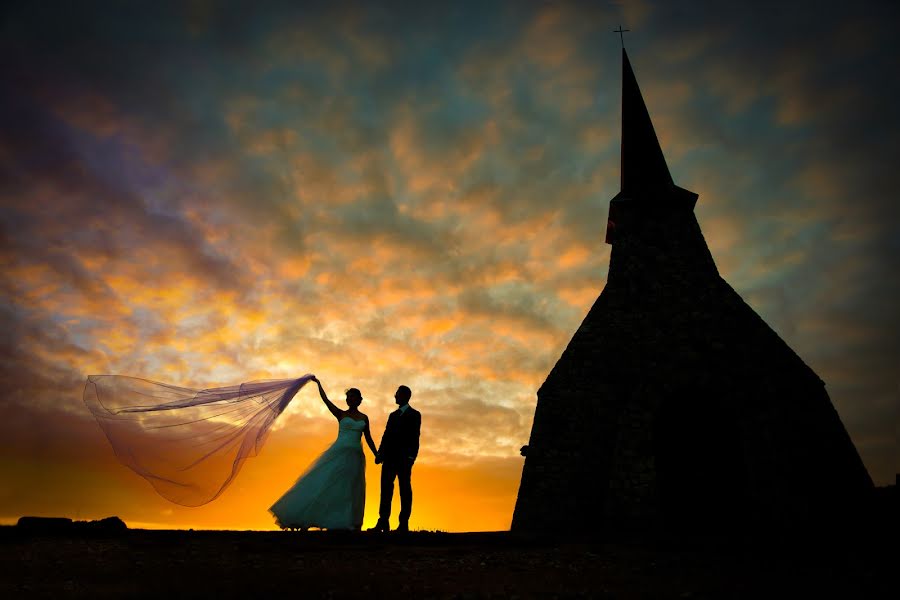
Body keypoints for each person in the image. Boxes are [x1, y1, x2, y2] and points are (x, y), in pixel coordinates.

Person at [269, 376, 378, 531]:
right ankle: (303, 515)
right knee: (326, 484)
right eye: (349, 397)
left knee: (350, 489)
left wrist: (377, 454)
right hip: (338, 453)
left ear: (359, 400)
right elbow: (326, 401)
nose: (351, 400)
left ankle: (346, 520)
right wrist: (319, 384)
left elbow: (368, 438)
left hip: (356, 457)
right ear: (347, 400)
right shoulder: (341, 414)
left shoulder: (364, 418)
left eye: (354, 397)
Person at [370, 385, 420, 533]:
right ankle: (383, 521)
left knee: (404, 490)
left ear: (405, 396)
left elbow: (415, 437)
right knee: (385, 489)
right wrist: (380, 454)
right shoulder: (392, 415)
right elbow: (386, 435)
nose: (395, 396)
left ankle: (403, 524)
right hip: (389, 458)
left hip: (405, 459)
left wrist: (411, 457)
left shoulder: (415, 415)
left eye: (397, 394)